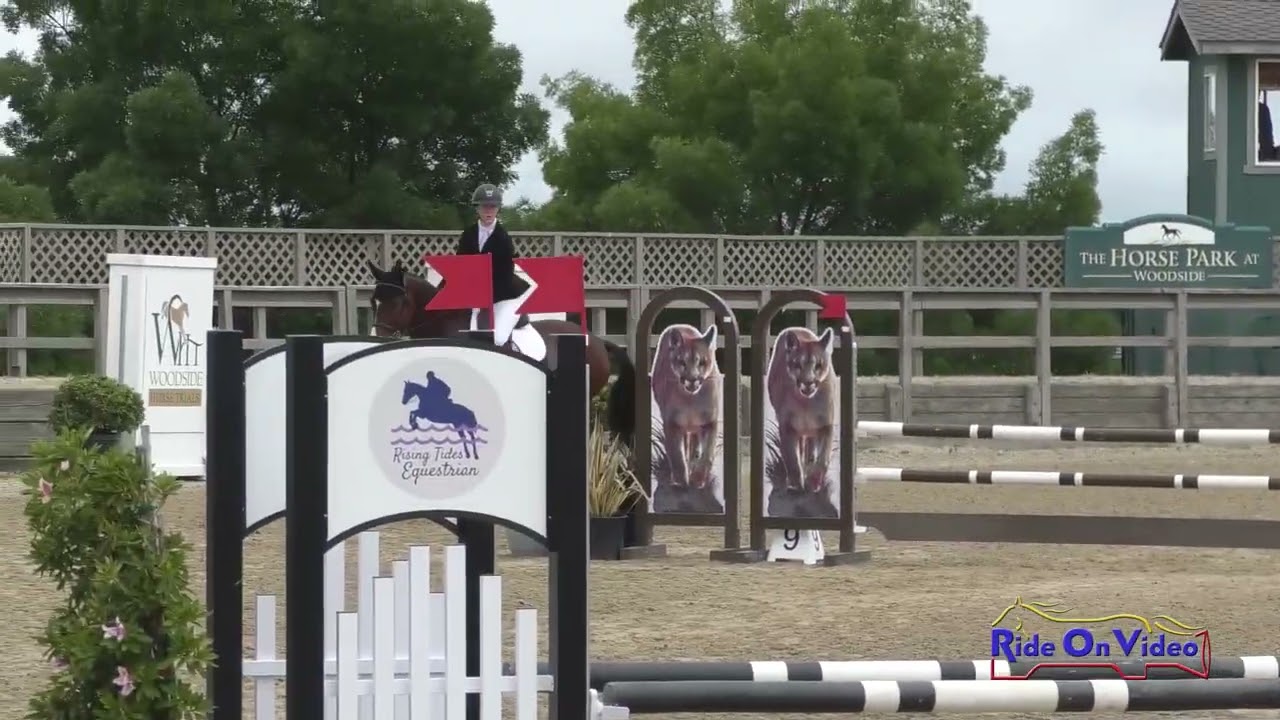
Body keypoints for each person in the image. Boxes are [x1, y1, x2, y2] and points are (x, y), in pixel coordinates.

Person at [455, 183, 533, 347]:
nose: (488, 211)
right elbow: (460, 265)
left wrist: (483, 296)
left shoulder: (504, 238)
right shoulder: (468, 235)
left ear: (498, 209)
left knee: (498, 338)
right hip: (474, 296)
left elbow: (505, 275)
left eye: (492, 207)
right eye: (485, 207)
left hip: (503, 296)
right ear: (477, 209)